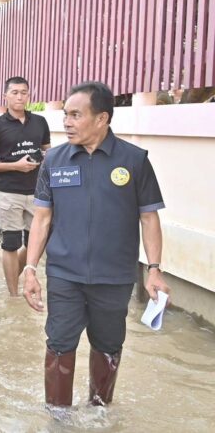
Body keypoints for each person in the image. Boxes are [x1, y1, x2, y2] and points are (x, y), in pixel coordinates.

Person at [23, 82, 170, 410]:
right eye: (65, 115)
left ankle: (99, 413)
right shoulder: (55, 160)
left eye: (76, 115)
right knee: (59, 344)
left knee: (108, 345)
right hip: (64, 275)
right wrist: (31, 269)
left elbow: (149, 219)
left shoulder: (134, 161)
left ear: (102, 118)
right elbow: (42, 219)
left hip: (115, 276)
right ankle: (58, 418)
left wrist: (155, 270)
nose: (67, 122)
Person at [0, 77, 51, 297]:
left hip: (38, 193)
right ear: (5, 96)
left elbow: (49, 152)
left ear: (29, 95)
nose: (20, 97)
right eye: (15, 92)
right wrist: (16, 166)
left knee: (36, 243)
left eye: (24, 92)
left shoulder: (40, 122)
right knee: (10, 243)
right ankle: (13, 295)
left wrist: (44, 158)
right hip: (9, 191)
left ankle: (15, 276)